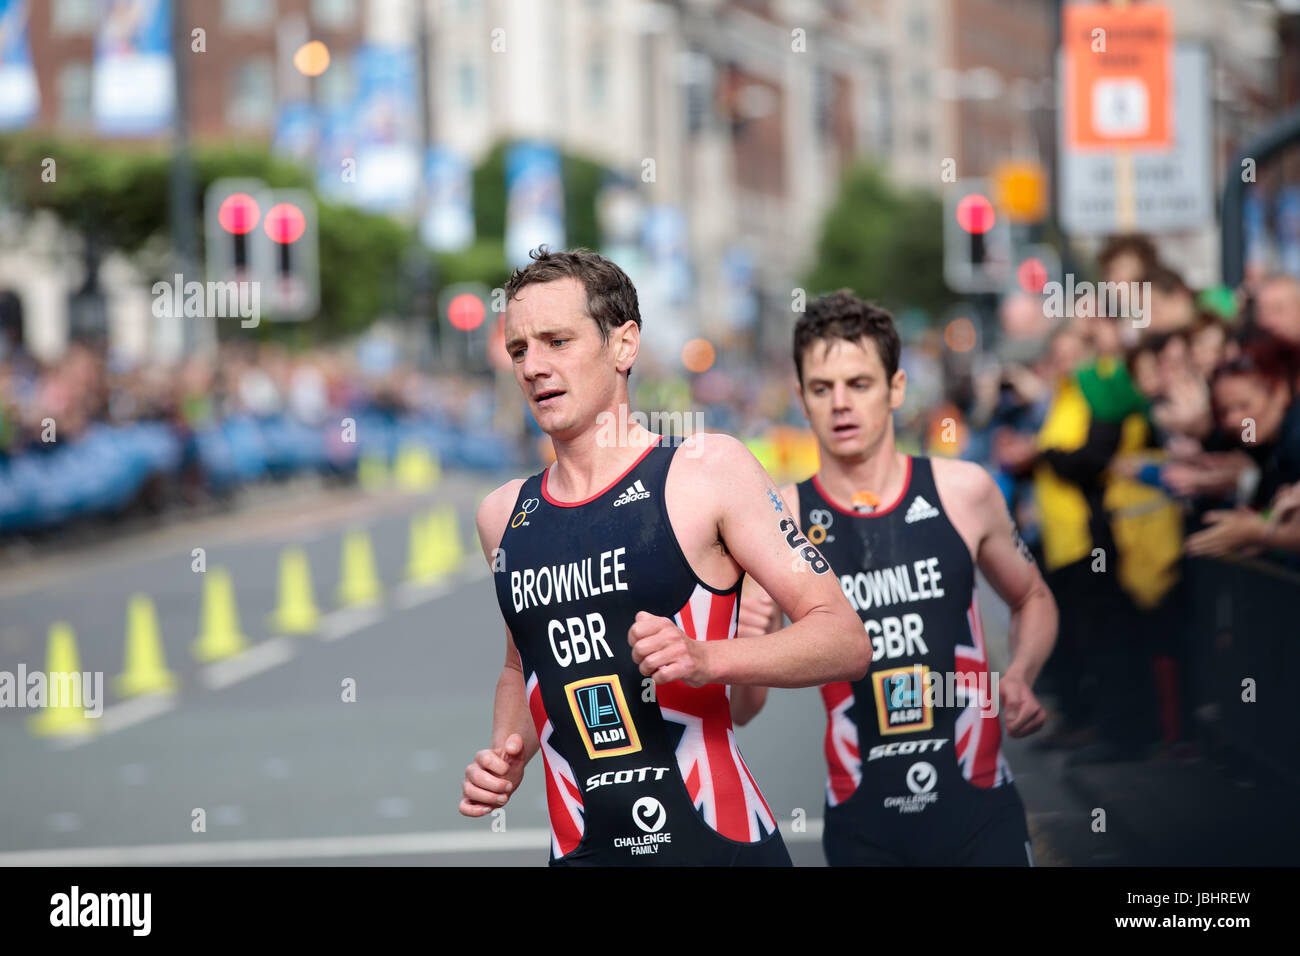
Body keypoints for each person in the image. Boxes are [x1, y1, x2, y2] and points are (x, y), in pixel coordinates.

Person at [459, 249, 869, 866]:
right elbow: (523, 665)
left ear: (623, 345)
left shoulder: (706, 471)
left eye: (557, 341)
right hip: (582, 851)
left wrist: (709, 657)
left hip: (713, 845)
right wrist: (507, 752)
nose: (534, 367)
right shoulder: (502, 515)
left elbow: (845, 640)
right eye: (519, 350)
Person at [733, 290, 1057, 866]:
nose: (840, 404)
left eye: (859, 384)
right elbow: (743, 708)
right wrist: (747, 642)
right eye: (821, 388)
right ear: (802, 401)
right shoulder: (779, 520)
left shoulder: (964, 491)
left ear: (896, 389)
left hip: (980, 812)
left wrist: (1023, 674)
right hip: (865, 826)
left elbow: (1032, 595)